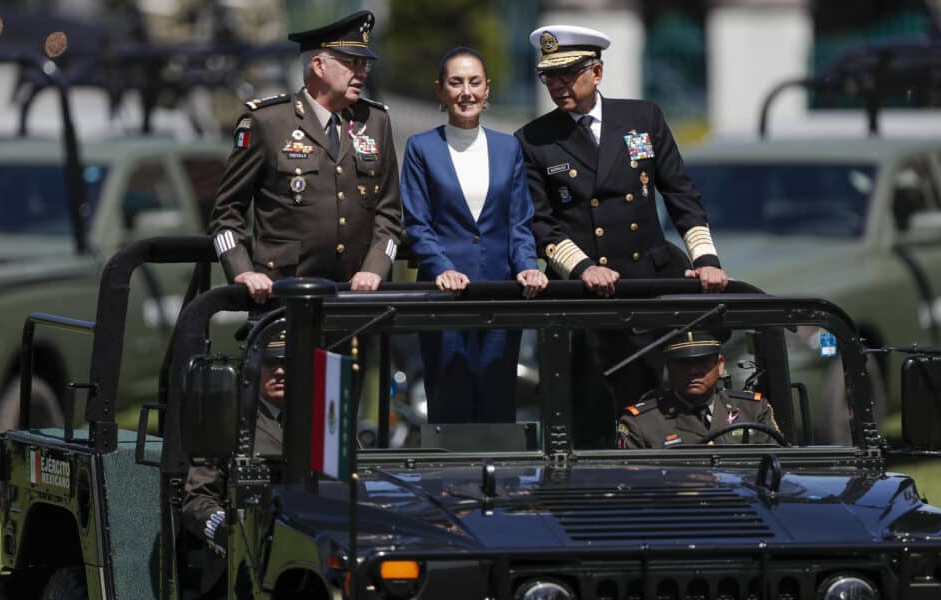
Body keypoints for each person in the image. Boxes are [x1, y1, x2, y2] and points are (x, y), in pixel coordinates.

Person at [514, 25, 728, 447]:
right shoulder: (533, 139)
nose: (557, 85)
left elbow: (680, 193)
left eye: (568, 74)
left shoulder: (642, 118)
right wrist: (582, 267)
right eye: (549, 77)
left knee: (653, 407)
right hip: (582, 295)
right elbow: (540, 222)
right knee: (588, 414)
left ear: (596, 72)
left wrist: (705, 258)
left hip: (645, 285)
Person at [208, 10, 401, 304]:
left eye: (365, 64)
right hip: (282, 298)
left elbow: (389, 214)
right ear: (319, 65)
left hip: (356, 300)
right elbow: (226, 212)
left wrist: (375, 268)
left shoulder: (375, 121)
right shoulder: (268, 121)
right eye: (351, 62)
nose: (361, 71)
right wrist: (242, 271)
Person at [401, 47, 547, 423]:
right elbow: (418, 223)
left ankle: (500, 483)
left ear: (487, 89)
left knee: (498, 405)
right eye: (456, 82)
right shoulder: (421, 148)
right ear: (440, 90)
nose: (466, 92)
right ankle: (448, 483)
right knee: (449, 404)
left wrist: (528, 267)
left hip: (500, 292)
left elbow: (519, 222)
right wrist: (441, 268)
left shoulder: (508, 147)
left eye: (474, 82)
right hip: (444, 295)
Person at [181, 331, 285, 597]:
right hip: (241, 569)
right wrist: (226, 531)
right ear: (252, 365)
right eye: (270, 363)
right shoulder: (227, 422)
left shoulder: (323, 423)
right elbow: (197, 499)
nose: (281, 371)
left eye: (288, 361)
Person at [617, 330, 781, 449]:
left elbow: (778, 466)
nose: (694, 371)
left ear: (720, 365)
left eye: (703, 361)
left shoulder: (752, 410)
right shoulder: (642, 423)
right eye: (683, 363)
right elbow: (635, 481)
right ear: (668, 368)